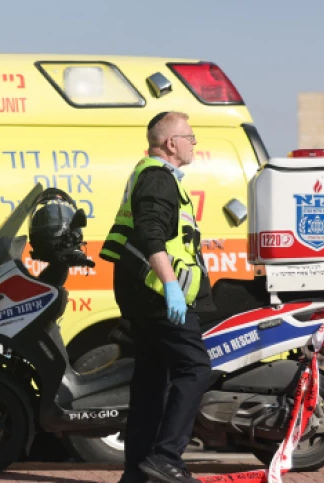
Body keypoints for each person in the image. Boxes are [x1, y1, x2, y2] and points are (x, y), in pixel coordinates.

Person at [98, 111, 213, 483]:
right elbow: (151, 235)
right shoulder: (158, 178)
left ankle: (136, 473)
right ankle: (166, 458)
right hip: (156, 295)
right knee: (195, 368)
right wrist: (170, 286)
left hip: (142, 295)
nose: (194, 143)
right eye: (190, 137)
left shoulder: (150, 176)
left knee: (151, 382)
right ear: (171, 143)